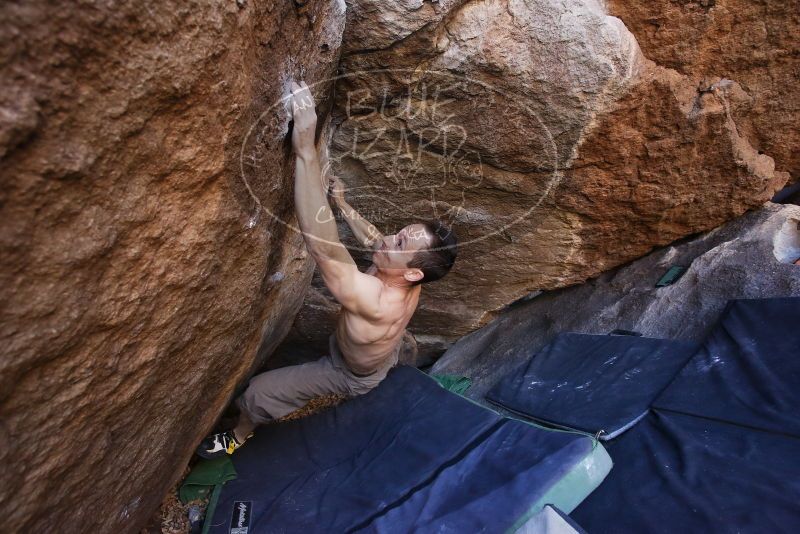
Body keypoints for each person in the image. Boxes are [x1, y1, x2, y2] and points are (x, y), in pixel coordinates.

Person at [197, 81, 458, 458]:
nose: (388, 238)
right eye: (399, 232)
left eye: (400, 242)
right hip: (375, 353)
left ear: (413, 273)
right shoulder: (410, 272)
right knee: (392, 333)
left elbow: (324, 248)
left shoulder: (377, 301)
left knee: (259, 392)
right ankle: (387, 361)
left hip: (348, 371)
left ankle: (238, 435)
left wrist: (305, 152)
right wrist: (342, 204)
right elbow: (374, 241)